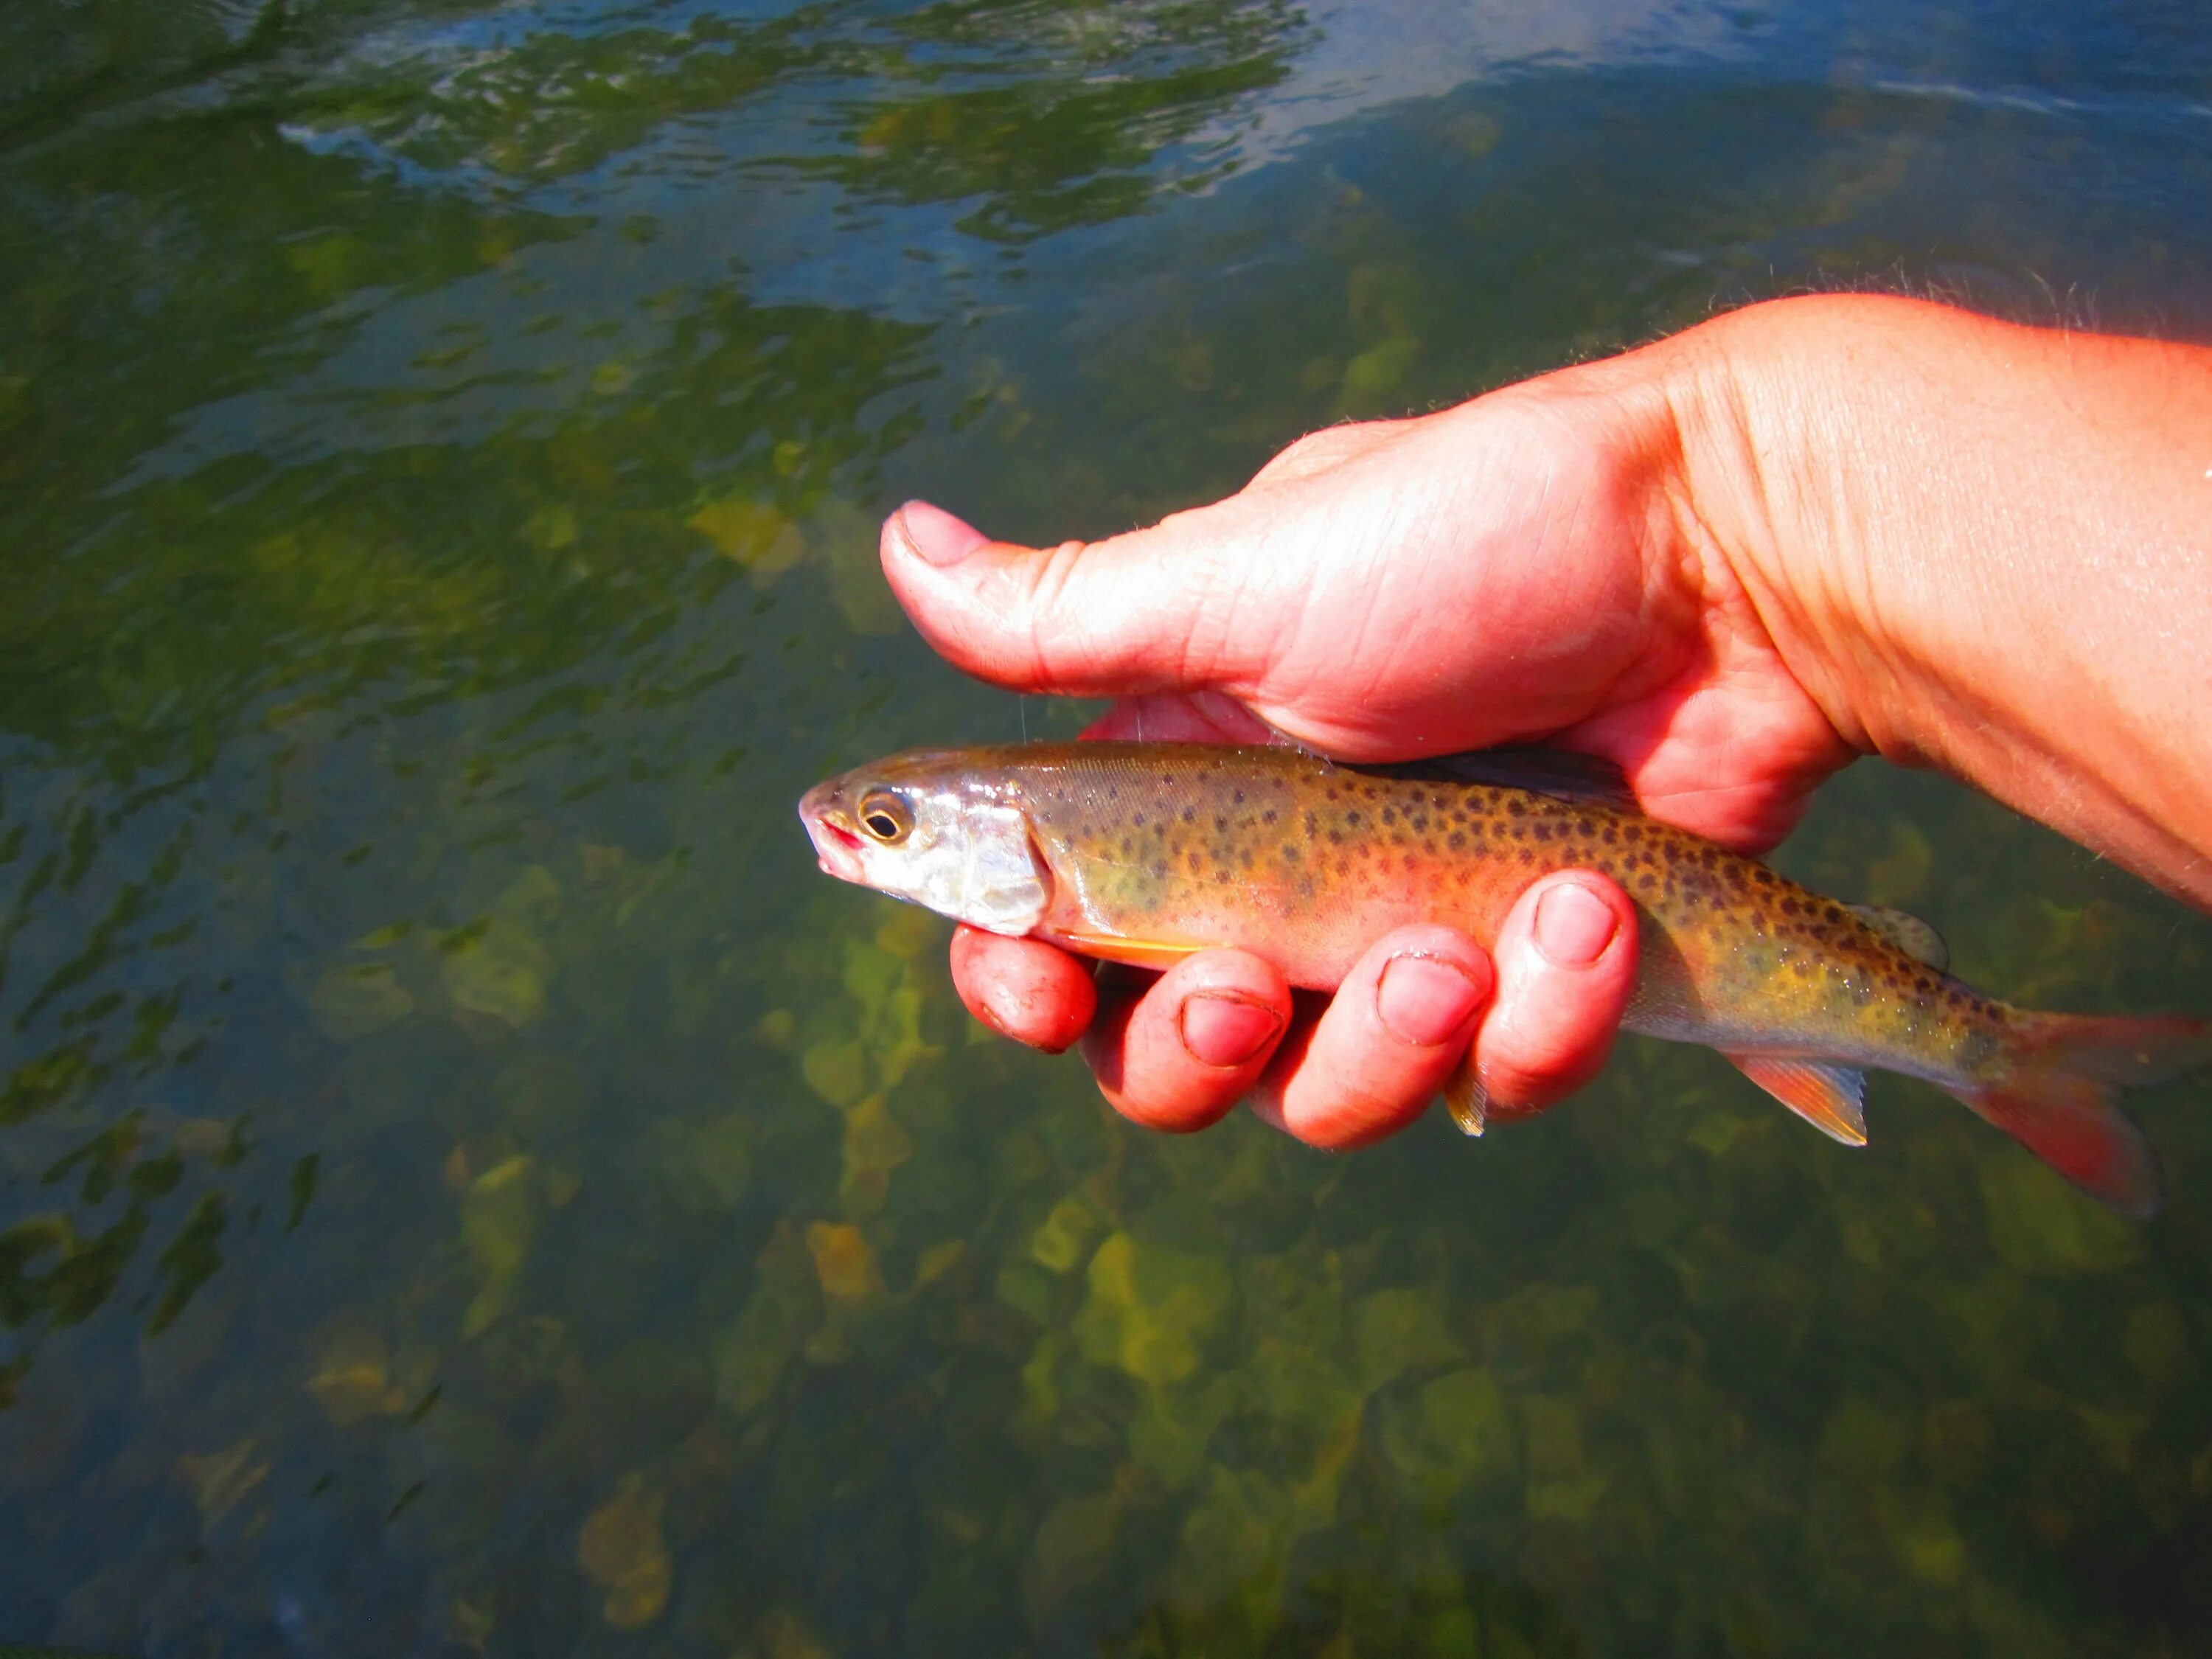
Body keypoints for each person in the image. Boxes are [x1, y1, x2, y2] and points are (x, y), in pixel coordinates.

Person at [875, 293, 2212, 1150]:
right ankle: (1993, 1051)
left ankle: (2000, 1053)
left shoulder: (1085, 883)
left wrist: (1724, 525)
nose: (860, 836)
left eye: (888, 826)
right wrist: (1726, 528)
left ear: (1005, 830)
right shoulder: (1083, 855)